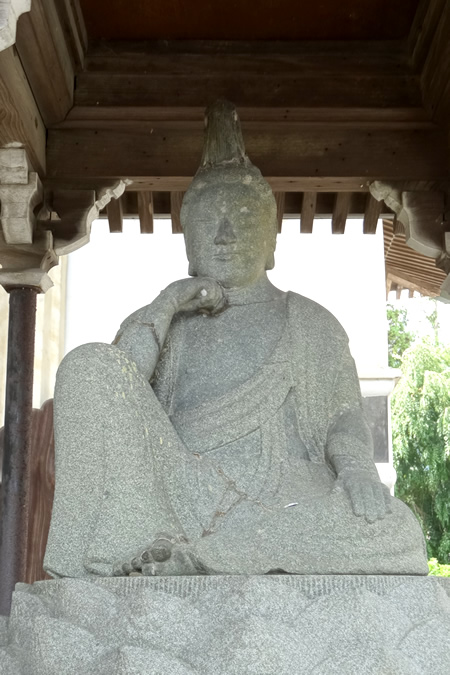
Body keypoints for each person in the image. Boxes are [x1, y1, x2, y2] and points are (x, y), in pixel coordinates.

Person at [44, 101, 428, 578]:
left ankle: (205, 557)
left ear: (271, 242)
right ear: (188, 245)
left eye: (243, 220)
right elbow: (113, 394)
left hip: (283, 503)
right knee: (85, 364)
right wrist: (167, 304)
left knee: (399, 530)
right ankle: (186, 551)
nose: (225, 236)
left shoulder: (310, 322)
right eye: (209, 222)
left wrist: (356, 470)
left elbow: (341, 416)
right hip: (178, 494)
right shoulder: (170, 322)